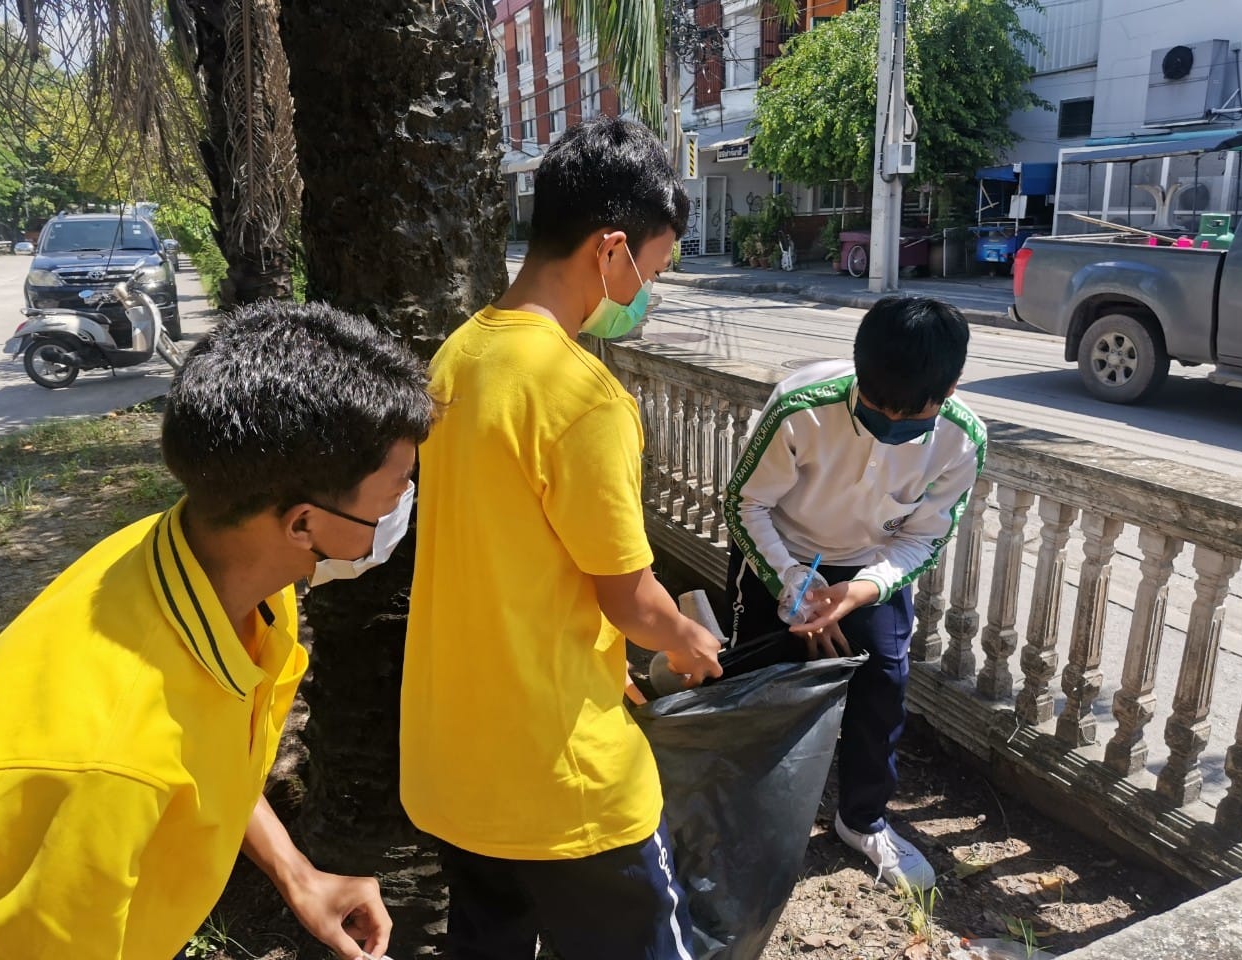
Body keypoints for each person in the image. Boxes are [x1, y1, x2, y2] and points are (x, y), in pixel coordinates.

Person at [0, 300, 434, 959]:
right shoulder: (100, 767)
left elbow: (204, 749)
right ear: (303, 524)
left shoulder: (221, 569)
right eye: (394, 494)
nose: (404, 507)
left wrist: (296, 873)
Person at [402, 116, 723, 960]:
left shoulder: (457, 356)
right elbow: (628, 596)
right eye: (651, 270)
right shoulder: (583, 398)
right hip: (563, 782)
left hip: (455, 764)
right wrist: (689, 641)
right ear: (609, 251)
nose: (647, 291)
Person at [723, 296, 985, 891]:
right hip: (778, 553)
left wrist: (857, 593)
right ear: (857, 371)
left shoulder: (962, 439)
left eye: (910, 415)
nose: (890, 423)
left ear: (949, 389)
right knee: (757, 681)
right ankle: (745, 806)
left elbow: (923, 540)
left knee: (883, 687)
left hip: (870, 567)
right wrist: (795, 585)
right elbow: (746, 504)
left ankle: (861, 818)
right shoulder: (801, 405)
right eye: (874, 407)